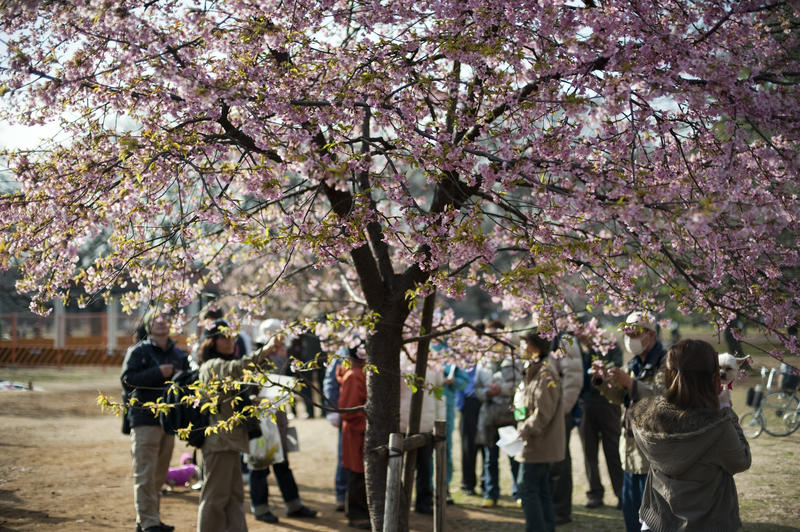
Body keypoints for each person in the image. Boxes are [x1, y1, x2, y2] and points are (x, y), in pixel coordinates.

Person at [630, 339, 751, 531]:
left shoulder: (644, 415)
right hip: (707, 522)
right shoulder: (717, 425)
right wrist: (726, 409)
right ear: (712, 377)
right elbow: (741, 460)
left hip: (657, 520)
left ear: (668, 372)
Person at [195, 320, 280, 532]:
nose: (231, 340)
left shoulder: (223, 366)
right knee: (215, 498)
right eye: (224, 336)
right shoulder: (213, 366)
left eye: (232, 336)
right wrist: (266, 350)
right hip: (219, 442)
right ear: (211, 342)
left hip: (230, 441)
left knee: (234, 497)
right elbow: (237, 368)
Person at [121, 306, 189, 532]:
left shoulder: (179, 354)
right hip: (144, 419)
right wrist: (159, 373)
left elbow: (189, 384)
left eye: (166, 318)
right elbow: (127, 380)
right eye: (155, 319)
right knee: (145, 473)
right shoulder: (138, 351)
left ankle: (150, 520)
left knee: (159, 474)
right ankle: (149, 522)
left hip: (168, 421)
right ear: (148, 325)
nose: (161, 321)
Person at [598, 311, 666, 532]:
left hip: (651, 453)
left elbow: (661, 398)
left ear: (651, 334)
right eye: (626, 332)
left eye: (635, 332)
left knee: (652, 517)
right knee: (631, 514)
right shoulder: (634, 363)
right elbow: (621, 399)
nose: (630, 338)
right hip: (629, 452)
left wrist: (630, 383)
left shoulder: (665, 363)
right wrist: (604, 383)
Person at [247, 319, 318, 524]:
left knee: (283, 462)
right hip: (259, 418)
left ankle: (293, 504)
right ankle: (260, 508)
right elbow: (249, 388)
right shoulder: (257, 357)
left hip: (278, 416)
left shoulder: (282, 356)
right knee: (260, 465)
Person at [513, 331, 565, 532]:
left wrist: (525, 429)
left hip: (539, 442)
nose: (522, 347)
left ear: (536, 346)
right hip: (536, 442)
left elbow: (543, 413)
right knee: (541, 489)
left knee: (526, 488)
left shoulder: (546, 374)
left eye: (525, 343)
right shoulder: (533, 370)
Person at [575, 330, 624, 510]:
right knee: (589, 452)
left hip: (608, 403)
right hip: (584, 405)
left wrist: (602, 370)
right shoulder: (574, 348)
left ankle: (621, 493)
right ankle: (594, 493)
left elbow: (617, 364)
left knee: (613, 451)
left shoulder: (609, 345)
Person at [400, 356, 446, 514]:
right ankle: (399, 501)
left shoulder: (434, 363)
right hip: (404, 423)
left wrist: (440, 421)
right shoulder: (402, 361)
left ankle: (423, 501)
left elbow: (439, 397)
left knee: (425, 466)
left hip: (427, 423)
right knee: (401, 465)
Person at [546, 333, 584, 525]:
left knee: (560, 460)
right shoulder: (539, 335)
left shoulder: (565, 340)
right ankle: (547, 506)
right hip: (544, 412)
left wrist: (562, 410)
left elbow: (573, 378)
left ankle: (561, 510)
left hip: (559, 412)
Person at [338, 340, 370, 529]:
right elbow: (348, 410)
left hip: (360, 430)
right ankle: (356, 514)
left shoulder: (360, 373)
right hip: (357, 431)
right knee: (357, 473)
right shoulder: (354, 375)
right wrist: (366, 424)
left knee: (361, 473)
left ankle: (360, 512)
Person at [324, 346, 350, 511]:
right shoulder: (344, 351)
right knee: (345, 454)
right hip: (346, 411)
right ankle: (341, 494)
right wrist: (332, 409)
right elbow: (330, 381)